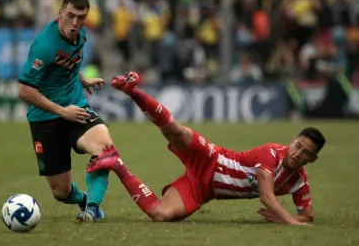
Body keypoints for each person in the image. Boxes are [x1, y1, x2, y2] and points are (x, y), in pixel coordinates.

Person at [88, 72, 326, 225]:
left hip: (204, 188)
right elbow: (266, 196)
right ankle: (133, 91)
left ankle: (116, 163)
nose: (297, 153)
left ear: (313, 159)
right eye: (298, 146)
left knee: (160, 215)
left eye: (305, 152)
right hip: (212, 158)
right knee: (174, 130)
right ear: (292, 141)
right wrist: (290, 222)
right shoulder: (272, 154)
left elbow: (308, 215)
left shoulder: (298, 181)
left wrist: (287, 218)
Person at [18, 0, 115, 222]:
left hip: (76, 107)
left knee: (105, 149)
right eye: (70, 16)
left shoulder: (81, 34)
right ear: (60, 13)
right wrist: (62, 111)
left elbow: (68, 62)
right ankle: (82, 200)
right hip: (45, 117)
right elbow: (24, 90)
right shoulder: (44, 46)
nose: (75, 23)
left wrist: (82, 80)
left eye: (81, 17)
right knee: (61, 191)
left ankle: (92, 209)